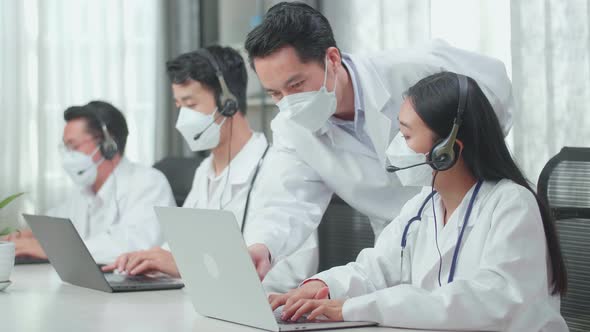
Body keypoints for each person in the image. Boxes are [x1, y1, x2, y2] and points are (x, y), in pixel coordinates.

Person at [269, 72, 568, 331]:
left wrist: (353, 308)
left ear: (447, 150)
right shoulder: (424, 204)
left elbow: (487, 303)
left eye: (407, 135)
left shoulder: (512, 204)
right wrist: (322, 287)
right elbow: (377, 267)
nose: (398, 147)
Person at [242, 2, 514, 281]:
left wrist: (472, 154)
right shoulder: (291, 128)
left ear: (332, 60)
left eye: (296, 85)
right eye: (275, 94)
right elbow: (286, 201)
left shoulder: (414, 69)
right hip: (396, 246)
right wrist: (264, 246)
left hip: (471, 220)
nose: (289, 102)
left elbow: (491, 90)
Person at [102, 46, 318, 293]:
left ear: (229, 103)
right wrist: (149, 261)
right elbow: (178, 250)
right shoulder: (205, 170)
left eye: (191, 104)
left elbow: (290, 275)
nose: (183, 118)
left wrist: (184, 266)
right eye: (179, 105)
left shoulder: (279, 167)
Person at [4, 101, 175, 263]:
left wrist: (51, 250)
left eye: (74, 146)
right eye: (65, 148)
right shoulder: (84, 189)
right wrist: (27, 236)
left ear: (108, 145)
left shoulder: (148, 182)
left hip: (139, 290)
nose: (67, 156)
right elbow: (56, 224)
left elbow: (130, 246)